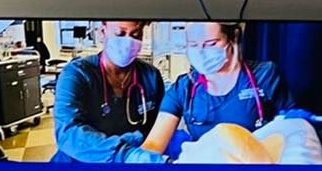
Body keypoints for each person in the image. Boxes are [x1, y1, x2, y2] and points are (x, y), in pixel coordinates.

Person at [142, 21, 295, 158]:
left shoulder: (264, 76)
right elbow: (154, 144)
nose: (201, 52)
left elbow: (292, 132)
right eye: (193, 45)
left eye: (211, 44)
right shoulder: (183, 88)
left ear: (233, 38)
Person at [51, 20, 166, 163]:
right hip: (78, 167)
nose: (128, 42)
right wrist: (125, 154)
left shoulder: (151, 76)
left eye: (135, 35)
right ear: (102, 33)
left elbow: (159, 128)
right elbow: (68, 133)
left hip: (129, 168)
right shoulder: (77, 74)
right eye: (120, 34)